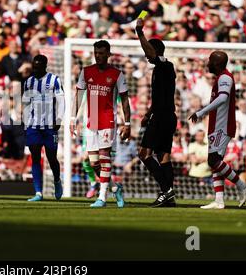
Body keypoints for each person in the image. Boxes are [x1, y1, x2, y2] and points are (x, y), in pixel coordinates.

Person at [71, 40, 131, 208]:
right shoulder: (86, 72)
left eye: (102, 53)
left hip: (107, 121)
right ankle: (114, 187)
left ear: (108, 54)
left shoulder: (117, 74)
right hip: (91, 121)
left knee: (105, 158)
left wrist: (127, 123)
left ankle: (102, 197)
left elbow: (125, 100)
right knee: (93, 163)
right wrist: (72, 119)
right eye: (96, 53)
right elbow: (78, 96)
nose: (98, 56)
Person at [189, 51, 246, 209]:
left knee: (213, 161)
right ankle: (219, 200)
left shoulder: (225, 77)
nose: (207, 64)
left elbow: (223, 98)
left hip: (222, 126)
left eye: (210, 61)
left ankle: (242, 185)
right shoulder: (221, 77)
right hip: (217, 125)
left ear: (216, 63)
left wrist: (201, 112)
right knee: (216, 162)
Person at [135, 18, 177, 207]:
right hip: (163, 115)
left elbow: (151, 52)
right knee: (163, 157)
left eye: (148, 51)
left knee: (144, 154)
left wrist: (139, 31)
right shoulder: (159, 70)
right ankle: (169, 197)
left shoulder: (165, 66)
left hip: (163, 118)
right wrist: (147, 114)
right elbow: (160, 97)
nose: (146, 55)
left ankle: (167, 191)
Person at [22, 54, 65, 201]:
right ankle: (38, 193)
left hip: (49, 126)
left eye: (38, 67)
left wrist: (59, 118)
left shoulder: (54, 80)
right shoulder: (28, 82)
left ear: (45, 66)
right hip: (33, 126)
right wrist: (26, 123)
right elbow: (26, 104)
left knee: (51, 158)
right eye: (34, 66)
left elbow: (61, 100)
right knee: (35, 157)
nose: (35, 69)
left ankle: (57, 180)